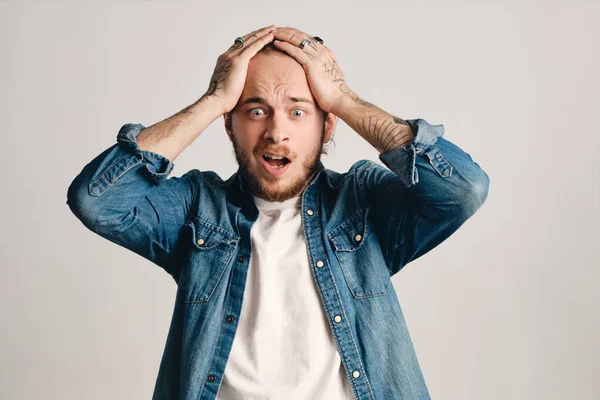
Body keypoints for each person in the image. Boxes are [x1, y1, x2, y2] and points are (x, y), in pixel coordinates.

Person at [66, 25, 490, 400]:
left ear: (328, 125)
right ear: (229, 124)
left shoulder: (362, 202)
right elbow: (97, 199)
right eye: (255, 110)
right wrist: (213, 100)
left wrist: (341, 98)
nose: (276, 131)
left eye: (298, 111)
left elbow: (463, 189)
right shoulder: (197, 207)